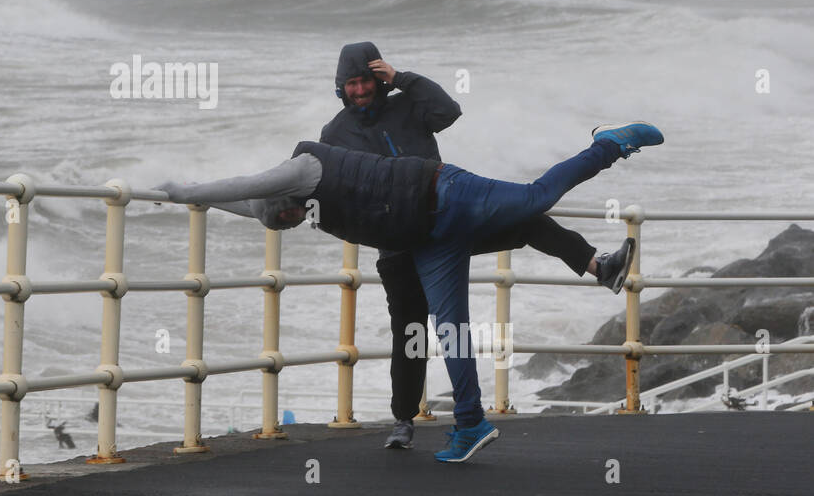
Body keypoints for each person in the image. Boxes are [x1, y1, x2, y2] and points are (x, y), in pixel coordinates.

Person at [157, 121, 663, 463]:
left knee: (535, 199)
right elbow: (248, 204)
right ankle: (470, 424)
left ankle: (611, 144)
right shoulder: (288, 206)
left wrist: (188, 191)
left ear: (286, 197)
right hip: (425, 239)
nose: (292, 220)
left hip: (443, 191)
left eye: (287, 213)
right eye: (286, 223)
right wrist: (183, 203)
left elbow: (245, 184)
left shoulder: (304, 167)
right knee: (450, 329)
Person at [320, 42, 635, 450]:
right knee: (411, 332)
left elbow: (449, 111)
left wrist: (403, 79)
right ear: (340, 87)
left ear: (378, 78)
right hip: (398, 248)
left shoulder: (408, 104)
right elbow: (337, 192)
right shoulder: (334, 134)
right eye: (351, 84)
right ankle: (404, 420)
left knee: (525, 218)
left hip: (445, 226)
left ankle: (599, 266)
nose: (359, 90)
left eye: (365, 80)